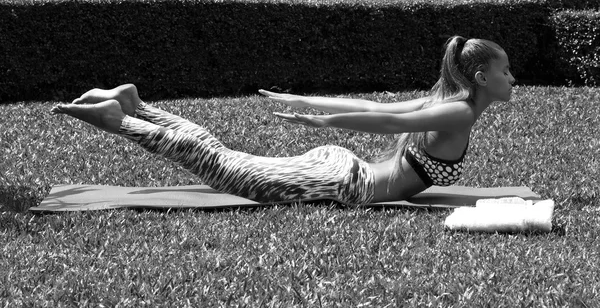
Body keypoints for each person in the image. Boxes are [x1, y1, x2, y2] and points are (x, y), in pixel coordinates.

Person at [51, 35, 515, 205]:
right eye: (505, 71)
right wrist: (320, 119)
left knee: (225, 157)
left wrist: (311, 106)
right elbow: (387, 123)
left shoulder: (448, 103)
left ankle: (138, 106)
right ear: (480, 77)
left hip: (341, 169)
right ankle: (119, 118)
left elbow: (382, 111)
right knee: (224, 169)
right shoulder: (459, 112)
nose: (512, 79)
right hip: (346, 184)